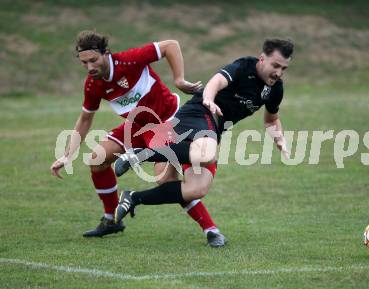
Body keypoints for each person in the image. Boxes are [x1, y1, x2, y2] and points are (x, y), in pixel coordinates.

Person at [50, 30, 226, 247]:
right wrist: (68, 155)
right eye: (84, 63)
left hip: (166, 122)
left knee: (165, 180)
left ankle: (210, 229)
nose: (90, 67)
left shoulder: (129, 60)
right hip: (137, 127)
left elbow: (170, 45)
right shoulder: (93, 84)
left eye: (93, 60)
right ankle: (111, 219)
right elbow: (85, 119)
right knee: (97, 159)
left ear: (106, 53)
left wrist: (179, 79)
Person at [114, 38, 294, 238]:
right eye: (275, 65)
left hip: (213, 128)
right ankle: (139, 155)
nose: (278, 72)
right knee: (206, 155)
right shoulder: (244, 66)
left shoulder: (275, 88)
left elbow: (271, 120)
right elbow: (216, 81)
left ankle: (133, 198)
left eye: (283, 68)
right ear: (262, 59)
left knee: (194, 188)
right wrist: (208, 98)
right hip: (198, 113)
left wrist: (280, 139)